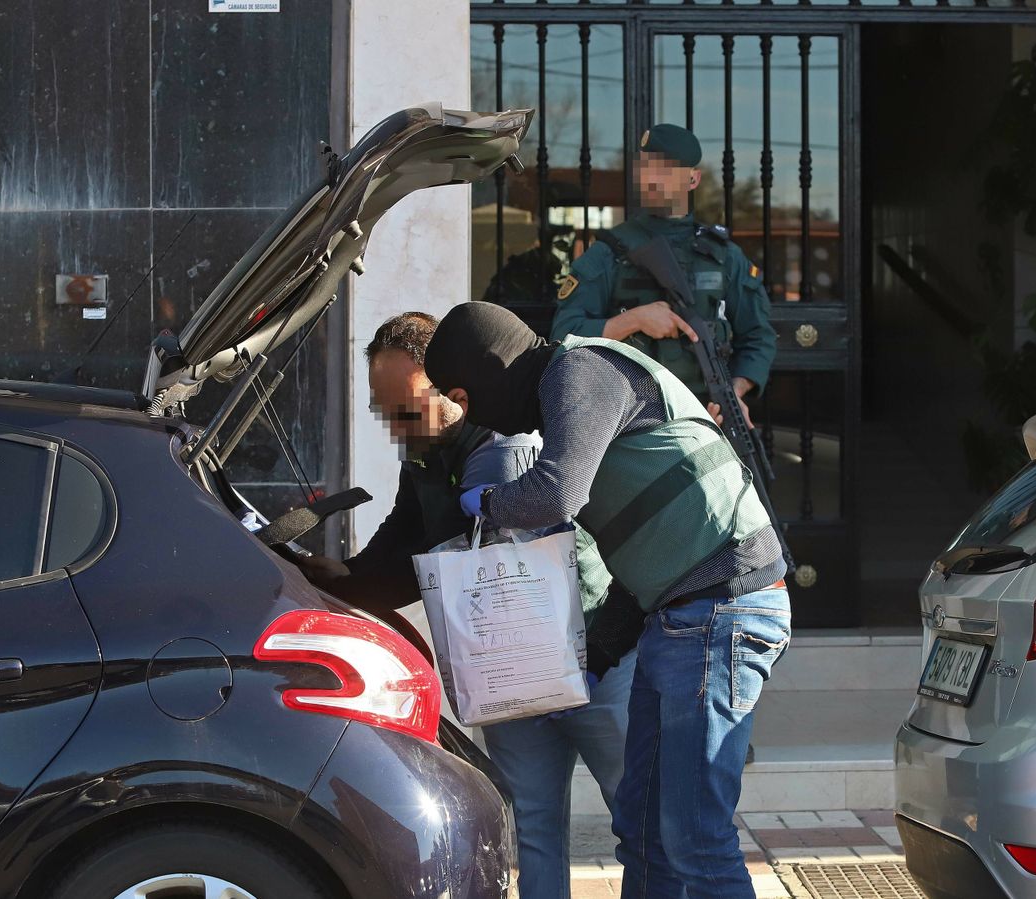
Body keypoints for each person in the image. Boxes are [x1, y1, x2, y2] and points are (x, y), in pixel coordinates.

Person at [425, 301, 790, 899]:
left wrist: (481, 506)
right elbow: (641, 567)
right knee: (644, 832)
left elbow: (557, 491)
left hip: (722, 609)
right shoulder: (571, 392)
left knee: (695, 837)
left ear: (492, 370)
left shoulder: (579, 370)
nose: (472, 417)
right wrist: (586, 659)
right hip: (680, 618)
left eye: (464, 398)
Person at [297, 311, 636, 899]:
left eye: (405, 407)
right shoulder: (428, 453)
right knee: (533, 829)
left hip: (593, 658)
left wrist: (352, 581)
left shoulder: (502, 452)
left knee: (639, 824)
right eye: (384, 407)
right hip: (514, 675)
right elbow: (395, 555)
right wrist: (335, 581)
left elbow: (441, 560)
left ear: (453, 389)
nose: (394, 424)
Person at [551, 123, 777, 427]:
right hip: (629, 420)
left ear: (693, 179)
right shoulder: (610, 250)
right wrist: (634, 320)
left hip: (706, 416)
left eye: (666, 169)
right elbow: (564, 334)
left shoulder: (724, 256)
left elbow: (758, 336)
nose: (653, 178)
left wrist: (734, 392)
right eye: (646, 167)